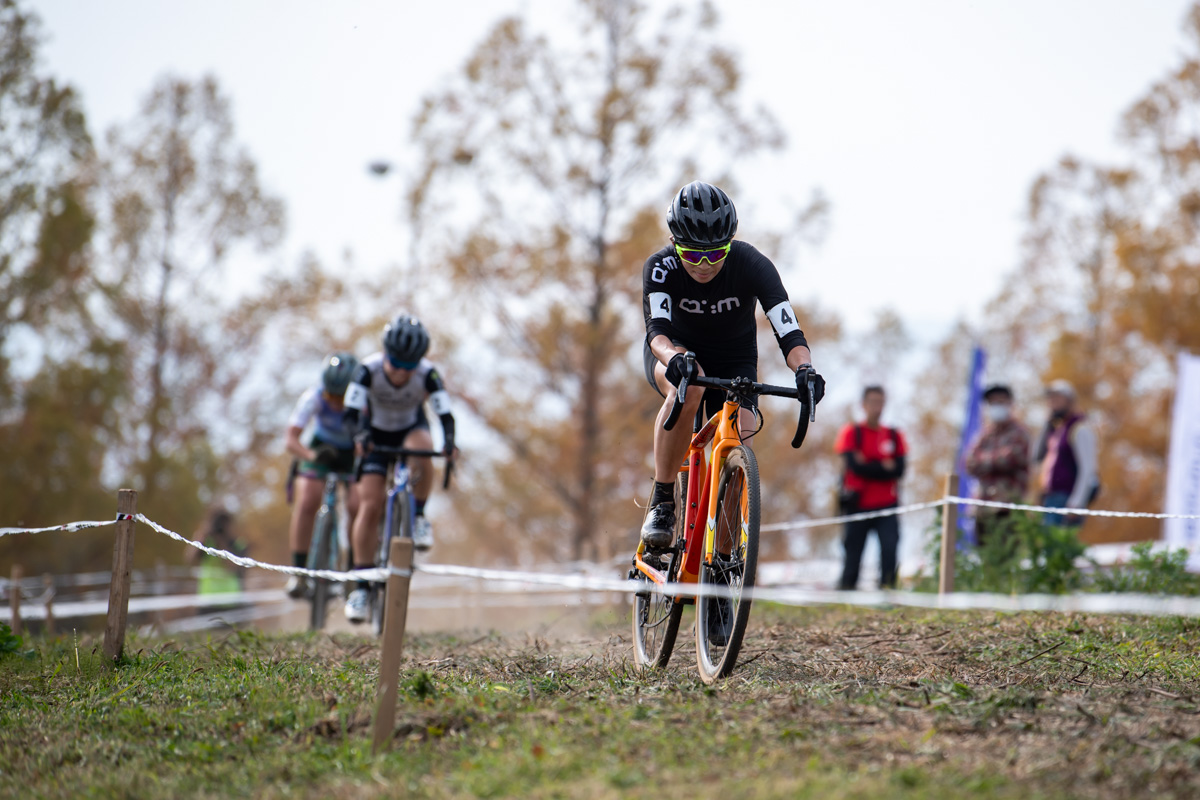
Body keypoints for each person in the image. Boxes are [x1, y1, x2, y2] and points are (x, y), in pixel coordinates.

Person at [640, 181, 825, 643]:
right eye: (692, 254)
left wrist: (805, 370)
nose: (704, 265)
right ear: (673, 243)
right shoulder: (660, 268)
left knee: (736, 440)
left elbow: (788, 328)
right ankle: (664, 501)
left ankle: (721, 573)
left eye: (715, 254)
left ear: (730, 243)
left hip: (737, 360)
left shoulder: (750, 263)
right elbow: (657, 332)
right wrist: (673, 357)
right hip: (676, 355)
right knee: (686, 387)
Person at [342, 313, 457, 623]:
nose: (400, 372)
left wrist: (449, 442)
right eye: (395, 363)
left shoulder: (428, 374)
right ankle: (362, 586)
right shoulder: (367, 370)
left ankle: (418, 516)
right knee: (370, 504)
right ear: (386, 354)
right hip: (375, 435)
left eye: (409, 367)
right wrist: (359, 436)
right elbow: (351, 414)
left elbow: (445, 415)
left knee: (423, 447)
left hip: (409, 429)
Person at [282, 352, 362, 599]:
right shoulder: (313, 396)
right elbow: (291, 440)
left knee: (357, 505)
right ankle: (299, 571)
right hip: (321, 449)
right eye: (331, 396)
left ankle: (353, 569)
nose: (336, 403)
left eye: (342, 398)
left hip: (352, 451)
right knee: (308, 500)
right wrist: (310, 456)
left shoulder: (364, 401)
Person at [834, 386, 907, 590]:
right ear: (864, 405)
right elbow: (854, 466)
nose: (878, 407)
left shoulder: (894, 435)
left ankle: (887, 595)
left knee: (890, 551)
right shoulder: (851, 432)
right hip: (857, 504)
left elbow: (899, 470)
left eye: (881, 402)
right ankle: (845, 598)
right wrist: (883, 466)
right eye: (873, 402)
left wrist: (869, 463)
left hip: (888, 505)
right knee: (852, 555)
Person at [964, 383, 1031, 547]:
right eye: (992, 403)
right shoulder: (984, 434)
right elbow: (968, 463)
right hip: (982, 509)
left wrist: (984, 461)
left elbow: (1010, 460)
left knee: (1006, 561)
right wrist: (995, 459)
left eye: (1001, 402)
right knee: (986, 563)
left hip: (1008, 509)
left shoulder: (1019, 433)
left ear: (1010, 403)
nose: (996, 407)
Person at [1034, 379, 1099, 527]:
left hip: (1067, 499)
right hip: (1050, 498)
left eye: (1057, 398)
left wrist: (1077, 502)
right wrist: (1046, 425)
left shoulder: (1080, 428)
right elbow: (1036, 456)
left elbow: (1088, 468)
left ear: (1070, 401)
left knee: (1061, 548)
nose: (1052, 402)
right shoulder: (1056, 430)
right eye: (1050, 399)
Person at [186, 507, 249, 597]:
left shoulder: (238, 544)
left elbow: (233, 568)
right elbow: (189, 559)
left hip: (231, 600)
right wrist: (201, 536)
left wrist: (220, 542)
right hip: (207, 599)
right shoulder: (206, 543)